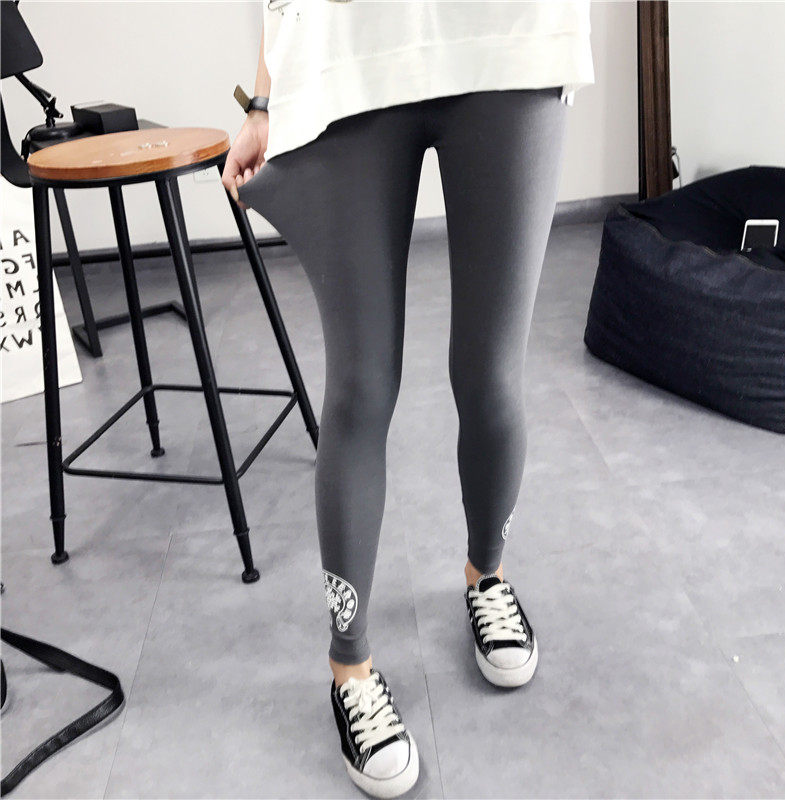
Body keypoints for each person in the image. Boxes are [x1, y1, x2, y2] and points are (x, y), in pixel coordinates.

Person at [222, 2, 594, 796]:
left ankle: (487, 576)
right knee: (360, 388)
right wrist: (263, 100)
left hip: (510, 41)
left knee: (491, 373)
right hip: (345, 54)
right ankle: (349, 667)